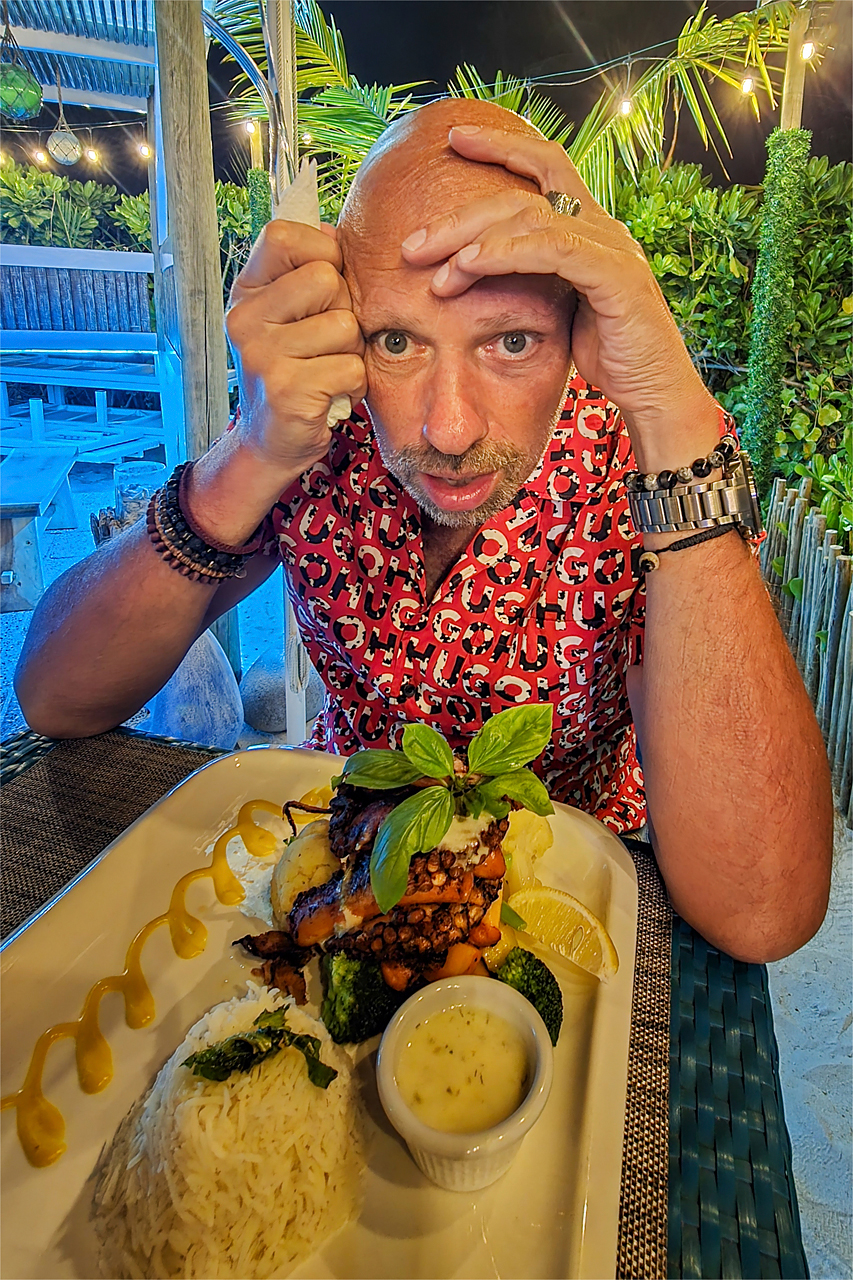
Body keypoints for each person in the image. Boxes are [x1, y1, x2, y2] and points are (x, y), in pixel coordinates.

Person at [15, 99, 832, 962]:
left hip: (565, 880)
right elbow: (58, 698)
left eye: (511, 341)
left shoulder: (638, 465)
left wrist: (671, 407)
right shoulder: (320, 428)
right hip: (342, 849)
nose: (449, 429)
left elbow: (762, 912)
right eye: (396, 341)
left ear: (575, 326)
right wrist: (253, 452)